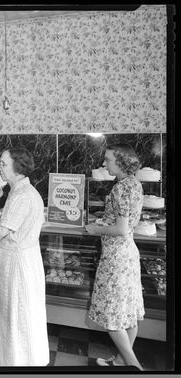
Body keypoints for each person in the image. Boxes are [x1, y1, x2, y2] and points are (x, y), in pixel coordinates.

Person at [0, 148, 49, 366]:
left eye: (3, 164)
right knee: (19, 318)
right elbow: (9, 224)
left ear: (17, 167)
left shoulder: (23, 196)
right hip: (21, 264)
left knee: (18, 319)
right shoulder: (18, 191)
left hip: (18, 269)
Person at [85, 143, 144, 370]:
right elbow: (126, 226)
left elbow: (120, 229)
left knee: (112, 317)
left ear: (121, 161)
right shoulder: (134, 184)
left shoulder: (120, 189)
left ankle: (134, 366)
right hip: (129, 252)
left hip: (116, 258)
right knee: (127, 312)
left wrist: (95, 229)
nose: (104, 163)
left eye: (108, 159)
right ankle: (120, 362)